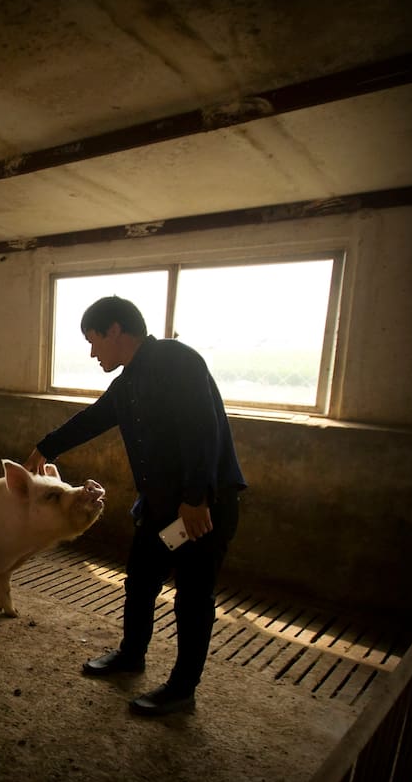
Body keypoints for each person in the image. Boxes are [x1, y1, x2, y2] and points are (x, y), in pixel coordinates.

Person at [23, 295, 246, 716]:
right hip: (160, 505)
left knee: (193, 597)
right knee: (141, 581)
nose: (92, 353)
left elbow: (203, 429)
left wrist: (196, 498)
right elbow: (93, 418)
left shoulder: (177, 361)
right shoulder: (129, 382)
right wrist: (46, 446)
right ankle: (131, 654)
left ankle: (182, 689)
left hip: (201, 506)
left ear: (115, 331)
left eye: (94, 341)